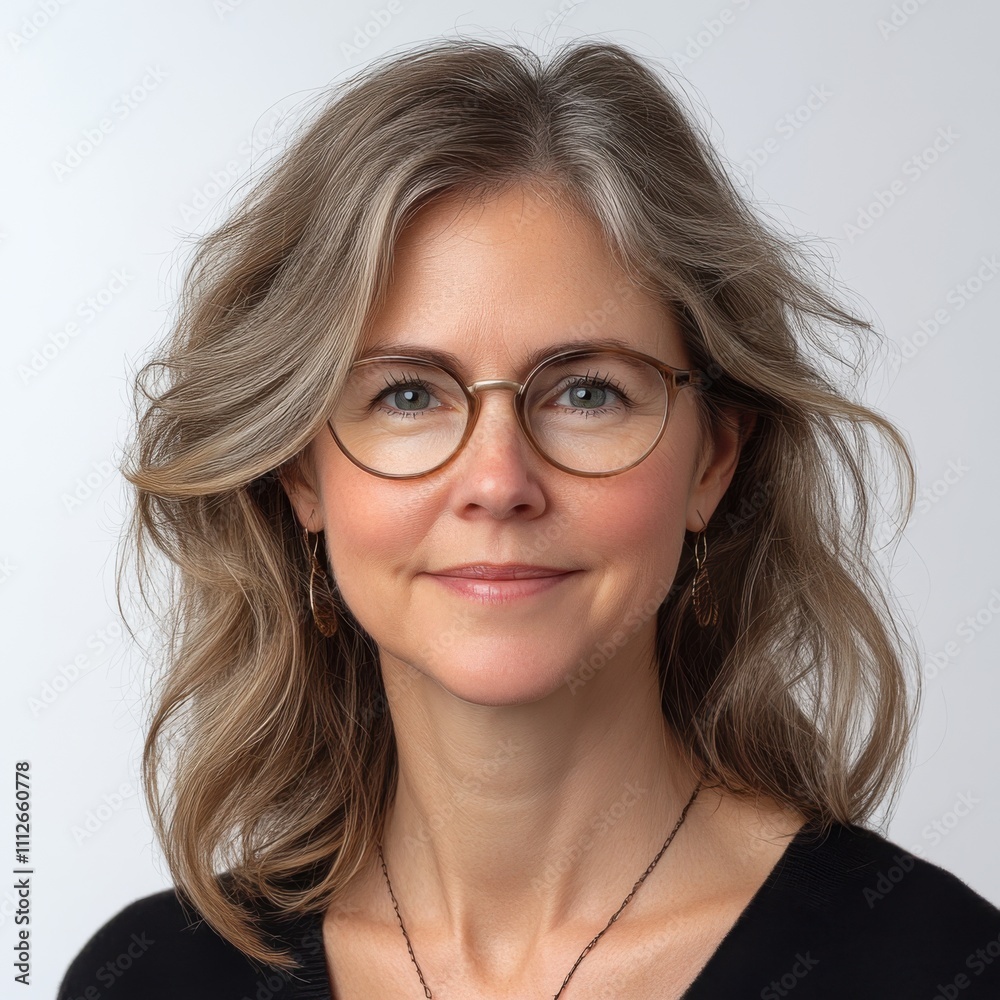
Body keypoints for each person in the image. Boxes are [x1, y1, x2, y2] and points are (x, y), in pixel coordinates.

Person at [58, 34, 1000, 1000]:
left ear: (713, 459)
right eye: (408, 395)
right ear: (303, 474)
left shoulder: (940, 970)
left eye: (587, 393)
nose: (499, 481)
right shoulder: (149, 979)